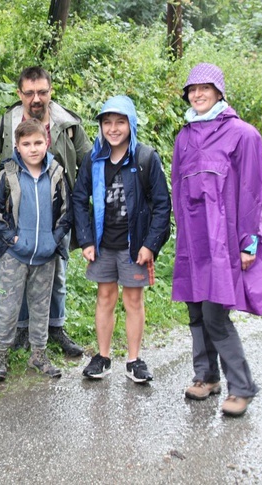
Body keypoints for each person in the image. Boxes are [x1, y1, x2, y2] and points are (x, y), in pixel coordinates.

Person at [172, 63, 262, 416]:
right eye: (192, 89)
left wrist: (249, 243)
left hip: (224, 243)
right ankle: (206, 377)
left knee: (216, 316)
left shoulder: (243, 135)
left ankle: (242, 386)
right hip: (193, 242)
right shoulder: (184, 136)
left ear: (219, 92)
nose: (197, 94)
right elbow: (179, 192)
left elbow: (253, 192)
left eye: (204, 88)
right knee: (195, 313)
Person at [0, 66, 92, 357]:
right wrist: (2, 198)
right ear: (20, 94)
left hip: (56, 220)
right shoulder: (5, 124)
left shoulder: (68, 124)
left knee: (57, 275)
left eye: (42, 92)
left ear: (51, 90)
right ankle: (22, 331)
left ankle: (55, 328)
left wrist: (73, 205)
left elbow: (89, 166)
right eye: (29, 93)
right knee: (19, 272)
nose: (36, 99)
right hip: (16, 221)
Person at [73, 95, 171, 383]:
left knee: (133, 300)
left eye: (120, 122)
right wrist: (87, 239)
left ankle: (134, 359)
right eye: (107, 123)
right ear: (101, 125)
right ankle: (103, 357)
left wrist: (150, 245)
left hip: (134, 246)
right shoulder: (93, 158)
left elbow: (162, 205)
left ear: (131, 124)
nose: (113, 129)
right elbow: (80, 199)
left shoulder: (145, 158)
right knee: (104, 297)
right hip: (103, 244)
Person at [0, 119, 73, 381]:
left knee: (41, 307)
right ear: (17, 146)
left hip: (45, 256)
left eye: (38, 143)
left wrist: (53, 240)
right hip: (15, 255)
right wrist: (11, 239)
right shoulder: (8, 173)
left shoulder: (56, 173)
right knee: (9, 306)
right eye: (26, 144)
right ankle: (0, 356)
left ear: (46, 142)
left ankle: (39, 355)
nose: (33, 149)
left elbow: (67, 213)